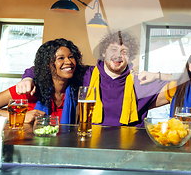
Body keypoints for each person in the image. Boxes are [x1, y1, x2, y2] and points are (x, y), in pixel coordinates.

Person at [18, 31, 166, 127]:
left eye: (124, 52)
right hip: (88, 141)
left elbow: (181, 85)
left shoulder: (141, 82)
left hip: (130, 147)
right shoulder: (85, 73)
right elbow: (48, 68)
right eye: (113, 49)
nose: (119, 55)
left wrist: (159, 75)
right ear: (103, 52)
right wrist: (28, 78)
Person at [0, 38, 84, 124]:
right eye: (61, 58)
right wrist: (18, 116)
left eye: (71, 57)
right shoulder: (28, 89)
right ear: (47, 65)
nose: (68, 61)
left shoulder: (75, 91)